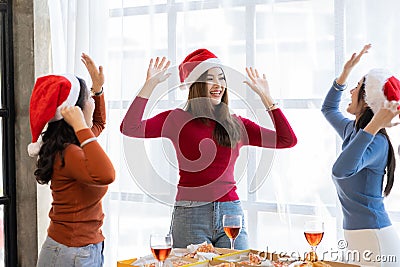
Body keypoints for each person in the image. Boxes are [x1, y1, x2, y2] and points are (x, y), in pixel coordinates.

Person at [120, 49, 297, 249]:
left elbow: (286, 140)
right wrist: (149, 85)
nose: (218, 85)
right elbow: (129, 127)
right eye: (209, 79)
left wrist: (266, 97)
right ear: (196, 86)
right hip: (190, 215)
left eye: (221, 78)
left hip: (230, 215)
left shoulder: (236, 124)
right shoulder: (176, 119)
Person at [28, 53, 115, 267]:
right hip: (72, 252)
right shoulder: (70, 153)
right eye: (88, 98)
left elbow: (99, 124)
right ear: (74, 112)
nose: (91, 103)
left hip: (74, 250)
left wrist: (97, 90)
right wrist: (81, 126)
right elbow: (107, 175)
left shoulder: (72, 144)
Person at [321, 44, 400, 267]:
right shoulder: (353, 131)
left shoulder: (376, 142)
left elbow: (341, 170)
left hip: (374, 236)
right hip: (359, 235)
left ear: (367, 100)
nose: (350, 91)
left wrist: (374, 125)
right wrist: (345, 73)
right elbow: (328, 109)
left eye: (355, 87)